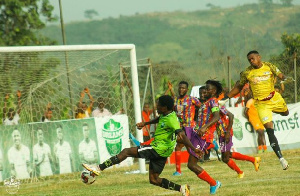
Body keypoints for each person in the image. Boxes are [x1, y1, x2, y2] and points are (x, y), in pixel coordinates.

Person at [83, 95, 203, 196]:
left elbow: (181, 135)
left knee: (126, 151)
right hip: (163, 151)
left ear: (165, 107)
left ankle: (98, 168)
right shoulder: (166, 114)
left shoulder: (172, 120)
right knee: (154, 179)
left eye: (158, 105)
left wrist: (193, 149)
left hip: (157, 148)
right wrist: (146, 122)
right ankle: (182, 189)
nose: (156, 106)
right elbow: (159, 119)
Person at [220, 50, 291, 170]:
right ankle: (281, 159)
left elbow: (280, 75)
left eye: (252, 58)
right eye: (249, 60)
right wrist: (227, 98)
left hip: (274, 98)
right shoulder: (247, 72)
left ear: (259, 57)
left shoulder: (269, 65)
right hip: (261, 104)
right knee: (269, 130)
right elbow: (239, 87)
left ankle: (274, 110)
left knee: (286, 113)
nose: (251, 61)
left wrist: (285, 78)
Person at [183, 80, 222, 194]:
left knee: (192, 164)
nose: (205, 91)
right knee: (191, 164)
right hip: (198, 135)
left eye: (207, 89)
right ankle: (213, 183)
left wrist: (204, 127)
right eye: (205, 89)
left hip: (204, 137)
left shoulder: (213, 102)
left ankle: (214, 183)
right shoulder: (206, 102)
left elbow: (216, 116)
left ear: (214, 91)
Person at [165, 81, 201, 176]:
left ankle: (213, 145)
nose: (181, 89)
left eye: (183, 88)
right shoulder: (176, 100)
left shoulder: (192, 99)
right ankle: (178, 171)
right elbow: (164, 101)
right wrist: (169, 89)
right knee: (179, 146)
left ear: (187, 89)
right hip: (180, 127)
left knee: (186, 147)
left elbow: (202, 107)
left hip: (190, 127)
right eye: (180, 87)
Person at [217, 101, 261, 178]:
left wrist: (227, 132)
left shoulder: (220, 108)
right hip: (221, 134)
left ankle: (240, 172)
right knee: (227, 155)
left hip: (225, 133)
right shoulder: (208, 109)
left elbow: (231, 115)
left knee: (225, 158)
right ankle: (253, 160)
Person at [244, 89, 267, 153]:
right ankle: (260, 148)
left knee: (262, 133)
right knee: (260, 132)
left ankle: (264, 148)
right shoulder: (250, 101)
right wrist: (249, 118)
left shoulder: (259, 101)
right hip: (254, 119)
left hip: (260, 119)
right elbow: (245, 111)